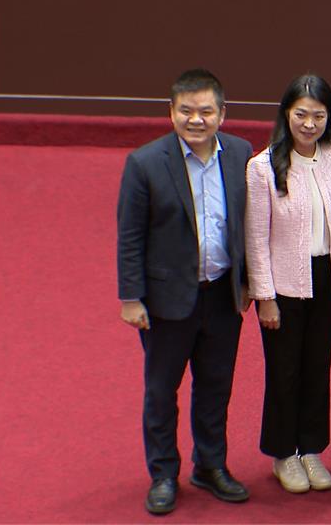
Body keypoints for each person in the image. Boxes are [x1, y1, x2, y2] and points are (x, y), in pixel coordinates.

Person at [117, 69, 251, 515]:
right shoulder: (145, 163)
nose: (197, 119)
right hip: (167, 300)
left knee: (216, 387)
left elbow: (247, 226)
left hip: (222, 296)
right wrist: (131, 297)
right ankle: (162, 474)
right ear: (171, 112)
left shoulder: (240, 154)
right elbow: (130, 235)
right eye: (186, 111)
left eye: (206, 111)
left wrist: (248, 283)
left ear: (222, 113)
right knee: (162, 390)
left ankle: (210, 466)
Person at [244, 74, 331, 494]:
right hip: (284, 284)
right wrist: (265, 297)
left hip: (327, 277)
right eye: (301, 115)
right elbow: (255, 236)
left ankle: (310, 448)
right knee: (284, 370)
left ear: (329, 118)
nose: (309, 124)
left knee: (317, 367)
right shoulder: (262, 166)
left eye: (318, 116)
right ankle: (282, 454)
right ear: (286, 114)